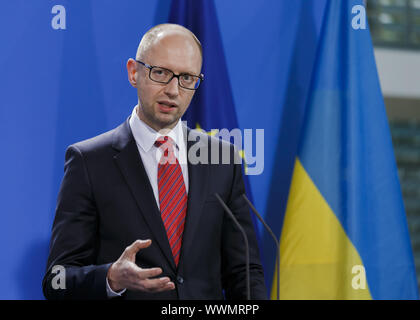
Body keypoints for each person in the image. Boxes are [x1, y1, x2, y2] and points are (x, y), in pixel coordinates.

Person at [43, 23, 266, 300]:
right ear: (133, 72)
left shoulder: (222, 159)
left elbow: (245, 272)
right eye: (161, 73)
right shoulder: (89, 162)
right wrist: (111, 277)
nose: (173, 90)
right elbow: (57, 280)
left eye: (187, 78)